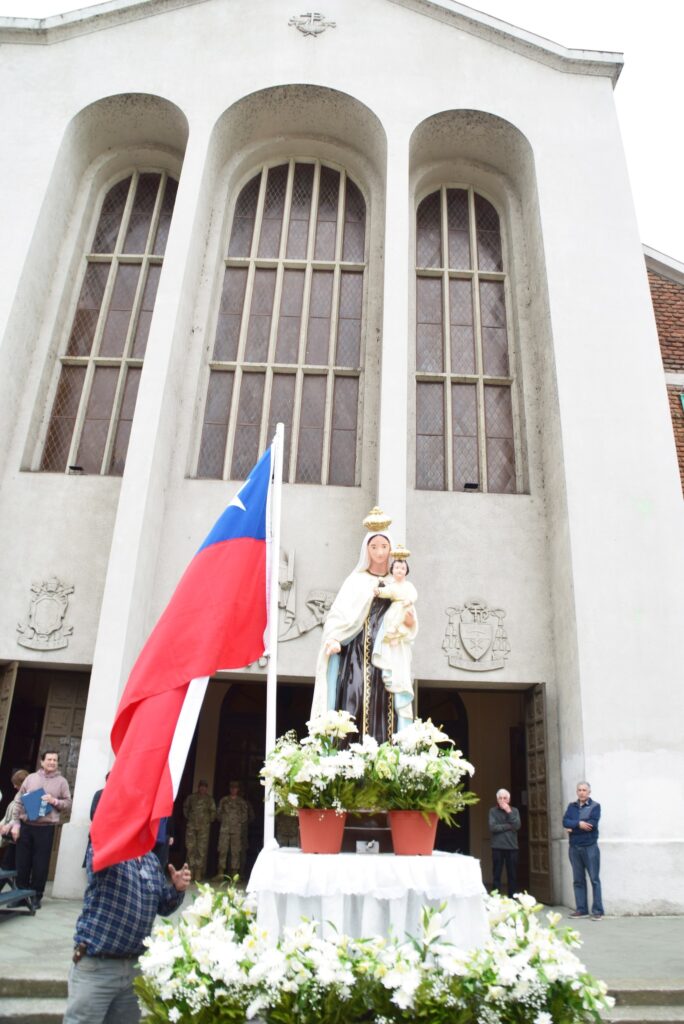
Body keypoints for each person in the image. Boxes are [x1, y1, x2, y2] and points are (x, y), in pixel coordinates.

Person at [311, 509, 417, 742]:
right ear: (366, 550)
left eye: (383, 546)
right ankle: (348, 763)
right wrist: (334, 638)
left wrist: (409, 620)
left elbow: (408, 622)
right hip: (356, 655)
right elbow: (338, 618)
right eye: (374, 547)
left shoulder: (397, 585)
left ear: (391, 550)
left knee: (385, 705)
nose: (379, 552)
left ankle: (385, 762)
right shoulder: (356, 581)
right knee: (353, 700)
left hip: (387, 655)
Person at [63, 846, 191, 1024]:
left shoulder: (151, 860)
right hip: (98, 966)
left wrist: (176, 889)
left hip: (134, 968)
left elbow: (163, 905)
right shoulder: (105, 848)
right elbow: (98, 864)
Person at [10, 750, 71, 908]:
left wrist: (54, 801)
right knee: (22, 862)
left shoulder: (62, 782)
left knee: (40, 864)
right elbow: (18, 801)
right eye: (49, 759)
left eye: (55, 760)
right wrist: (16, 824)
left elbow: (68, 803)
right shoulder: (31, 778)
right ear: (42, 762)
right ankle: (20, 895)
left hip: (45, 828)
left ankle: (36, 896)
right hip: (26, 826)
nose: (52, 762)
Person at [370, 548, 418, 731]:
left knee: (402, 628)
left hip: (405, 610)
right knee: (391, 627)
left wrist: (408, 602)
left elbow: (414, 595)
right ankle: (392, 638)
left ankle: (397, 636)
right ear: (393, 570)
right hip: (393, 613)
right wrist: (377, 591)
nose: (399, 571)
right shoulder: (392, 586)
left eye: (402, 568)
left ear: (406, 571)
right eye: (396, 568)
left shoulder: (408, 587)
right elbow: (386, 591)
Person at [563, 780, 604, 920]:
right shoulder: (571, 806)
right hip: (574, 848)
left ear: (589, 792)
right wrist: (579, 824)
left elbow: (591, 825)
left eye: (584, 790)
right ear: (577, 792)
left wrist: (572, 828)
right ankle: (582, 909)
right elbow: (565, 822)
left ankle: (597, 911)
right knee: (578, 880)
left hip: (590, 847)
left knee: (594, 879)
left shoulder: (595, 806)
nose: (581, 792)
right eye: (579, 790)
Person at [488, 788, 521, 896]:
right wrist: (508, 826)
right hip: (497, 847)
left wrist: (508, 811)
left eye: (505, 798)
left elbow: (517, 826)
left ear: (509, 799)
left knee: (512, 875)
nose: (502, 800)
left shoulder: (514, 811)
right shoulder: (492, 811)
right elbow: (493, 827)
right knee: (496, 874)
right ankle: (495, 897)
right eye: (500, 798)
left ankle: (512, 897)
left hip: (512, 847)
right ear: (497, 800)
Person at [216, 781, 253, 878]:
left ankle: (234, 874)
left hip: (236, 830)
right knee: (223, 850)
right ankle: (220, 873)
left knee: (235, 851)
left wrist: (236, 822)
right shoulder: (224, 800)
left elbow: (245, 816)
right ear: (229, 789)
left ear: (238, 789)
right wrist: (225, 821)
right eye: (232, 788)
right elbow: (218, 813)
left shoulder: (241, 802)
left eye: (235, 788)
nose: (233, 790)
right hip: (225, 829)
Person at [183, 780, 215, 881]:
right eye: (201, 786)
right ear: (198, 787)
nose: (203, 788)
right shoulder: (191, 797)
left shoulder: (209, 800)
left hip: (203, 829)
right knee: (190, 848)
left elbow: (213, 812)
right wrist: (189, 818)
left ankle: (198, 872)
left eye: (205, 787)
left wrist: (207, 821)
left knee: (201, 850)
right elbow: (185, 808)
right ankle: (190, 871)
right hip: (191, 827)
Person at [0, 769, 29, 884]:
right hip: (13, 837)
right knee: (7, 864)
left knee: (10, 865)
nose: (14, 786)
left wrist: (10, 825)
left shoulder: (29, 796)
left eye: (16, 784)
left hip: (20, 837)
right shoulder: (18, 795)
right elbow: (10, 814)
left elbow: (22, 816)